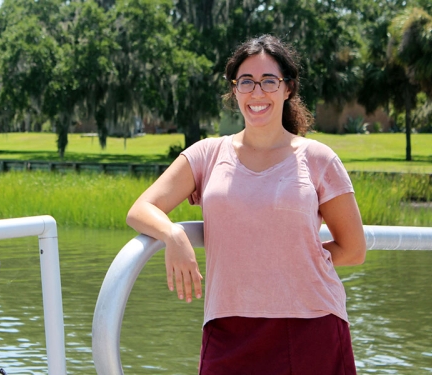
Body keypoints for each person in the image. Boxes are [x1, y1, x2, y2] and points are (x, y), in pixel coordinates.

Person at [126, 34, 366, 374]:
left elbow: (354, 249)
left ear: (288, 88)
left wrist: (291, 256)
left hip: (312, 326)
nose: (257, 92)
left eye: (269, 81)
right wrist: (173, 236)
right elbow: (141, 209)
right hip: (228, 331)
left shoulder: (318, 159)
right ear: (234, 90)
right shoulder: (207, 154)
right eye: (246, 82)